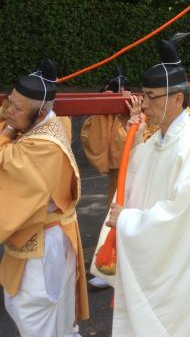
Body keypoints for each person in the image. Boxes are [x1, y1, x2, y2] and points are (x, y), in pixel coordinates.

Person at [103, 39, 190, 337]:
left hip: (181, 274)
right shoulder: (156, 141)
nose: (144, 104)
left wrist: (129, 221)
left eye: (151, 97)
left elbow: (184, 215)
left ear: (177, 99)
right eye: (144, 95)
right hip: (153, 262)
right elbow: (133, 181)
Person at [0, 59, 89, 337]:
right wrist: (13, 125)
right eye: (9, 102)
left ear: (39, 115)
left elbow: (3, 160)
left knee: (34, 311)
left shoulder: (44, 145)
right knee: (29, 308)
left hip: (44, 241)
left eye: (16, 108)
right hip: (39, 235)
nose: (8, 111)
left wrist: (8, 131)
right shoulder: (39, 125)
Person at [81, 69, 129, 289]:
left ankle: (123, 266)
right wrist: (107, 110)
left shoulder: (139, 107)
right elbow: (101, 141)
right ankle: (108, 262)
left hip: (138, 172)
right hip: (119, 176)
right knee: (113, 217)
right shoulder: (115, 108)